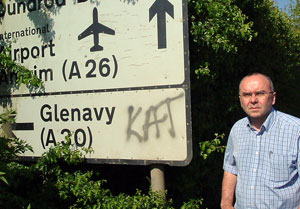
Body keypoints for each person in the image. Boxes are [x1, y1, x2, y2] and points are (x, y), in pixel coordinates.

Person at [221, 72, 300, 209]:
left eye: (260, 93)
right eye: (247, 95)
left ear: (273, 98)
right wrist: (226, 203)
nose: (253, 100)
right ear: (240, 100)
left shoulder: (295, 130)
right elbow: (231, 169)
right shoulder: (237, 129)